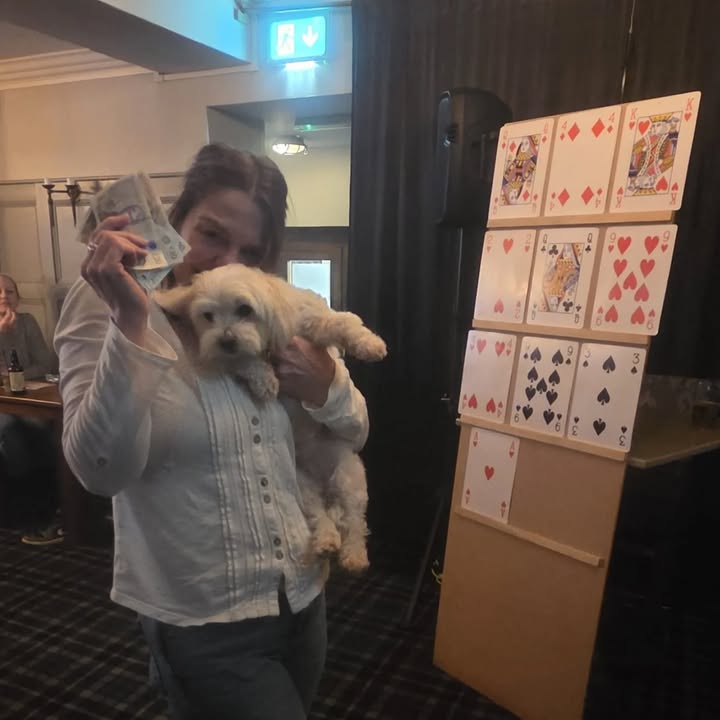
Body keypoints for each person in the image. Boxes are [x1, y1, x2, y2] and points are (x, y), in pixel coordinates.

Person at [53, 144, 369, 720]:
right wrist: (130, 323)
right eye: (212, 235)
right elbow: (99, 472)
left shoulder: (270, 305)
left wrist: (325, 385)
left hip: (302, 592)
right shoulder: (106, 302)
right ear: (177, 220)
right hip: (205, 619)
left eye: (252, 251)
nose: (227, 260)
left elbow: (357, 429)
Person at [0, 273, 59, 544]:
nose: (4, 296)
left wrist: (14, 376)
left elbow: (44, 364)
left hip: (28, 398)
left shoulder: (27, 322)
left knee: (45, 429)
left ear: (18, 297)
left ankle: (54, 507)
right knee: (12, 431)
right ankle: (28, 515)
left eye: (10, 291)